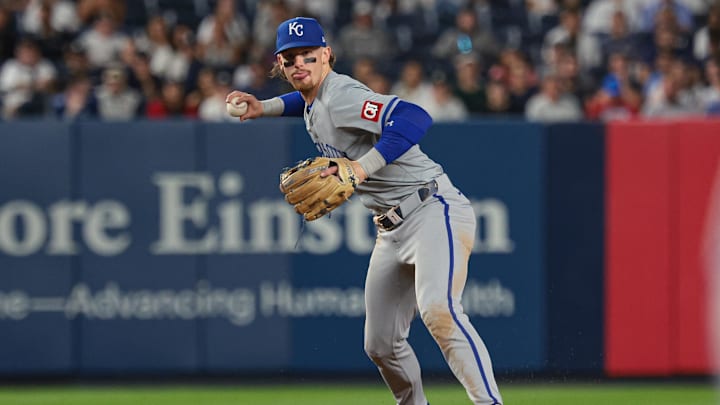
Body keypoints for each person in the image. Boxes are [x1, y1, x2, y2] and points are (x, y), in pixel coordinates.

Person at [226, 16, 503, 405]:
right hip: (391, 229)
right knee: (381, 344)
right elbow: (304, 102)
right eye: (290, 59)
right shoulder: (316, 100)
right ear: (281, 65)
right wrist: (265, 106)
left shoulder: (339, 93)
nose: (300, 64)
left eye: (308, 55)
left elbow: (414, 117)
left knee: (439, 311)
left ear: (327, 55)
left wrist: (359, 168)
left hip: (431, 209)